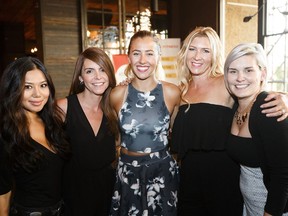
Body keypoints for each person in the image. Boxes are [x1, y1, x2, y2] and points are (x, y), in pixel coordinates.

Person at [171, 26, 288, 216]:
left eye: (205, 50)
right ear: (184, 53)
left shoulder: (226, 82)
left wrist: (284, 98)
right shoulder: (180, 91)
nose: (197, 56)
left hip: (224, 181)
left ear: (214, 54)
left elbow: (256, 92)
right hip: (189, 182)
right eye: (192, 49)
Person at [109, 30, 180, 216]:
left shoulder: (172, 93)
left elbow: (178, 135)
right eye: (136, 53)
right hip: (127, 173)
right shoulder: (117, 94)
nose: (142, 60)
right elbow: (114, 137)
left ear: (158, 56)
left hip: (161, 173)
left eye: (149, 53)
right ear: (129, 57)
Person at [0, 56, 70, 216]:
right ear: (13, 89)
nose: (37, 94)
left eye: (43, 85)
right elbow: (3, 194)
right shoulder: (6, 133)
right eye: (28, 87)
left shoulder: (52, 121)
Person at [224, 43, 288, 216]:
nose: (240, 78)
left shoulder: (269, 108)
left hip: (273, 208)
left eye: (248, 70)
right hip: (250, 205)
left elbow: (282, 174)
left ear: (263, 74)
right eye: (233, 71)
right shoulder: (235, 106)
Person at [57, 47, 119, 216]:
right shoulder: (63, 108)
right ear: (80, 77)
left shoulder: (114, 109)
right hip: (74, 199)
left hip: (108, 196)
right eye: (90, 71)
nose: (98, 77)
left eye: (102, 70)